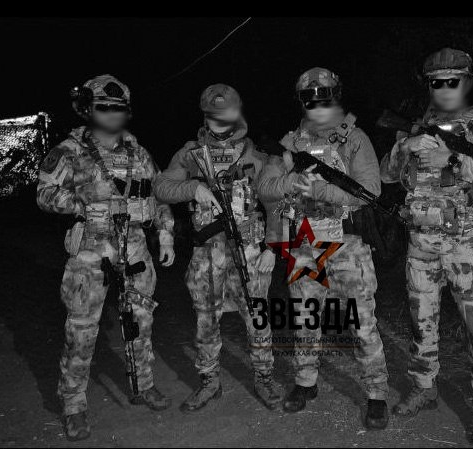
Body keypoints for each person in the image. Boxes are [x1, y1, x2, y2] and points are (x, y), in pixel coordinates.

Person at [380, 48, 473, 445]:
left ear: (467, 81)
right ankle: (424, 387)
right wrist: (407, 148)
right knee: (421, 322)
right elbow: (387, 174)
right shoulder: (418, 124)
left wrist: (454, 158)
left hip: (466, 247)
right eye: (436, 82)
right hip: (421, 242)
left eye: (452, 80)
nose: (443, 88)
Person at [37, 74, 175, 441]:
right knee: (82, 330)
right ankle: (73, 405)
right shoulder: (70, 150)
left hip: (134, 245)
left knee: (141, 320)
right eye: (104, 108)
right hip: (91, 248)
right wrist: (80, 203)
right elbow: (44, 194)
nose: (112, 114)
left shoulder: (137, 152)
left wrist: (165, 232)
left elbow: (159, 194)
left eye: (119, 108)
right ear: (88, 110)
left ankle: (144, 383)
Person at [257, 67, 390, 429]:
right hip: (305, 242)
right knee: (305, 318)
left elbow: (369, 192)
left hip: (347, 243)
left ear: (336, 97)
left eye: (324, 98)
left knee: (362, 321)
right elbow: (264, 187)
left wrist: (318, 189)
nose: (317, 105)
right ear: (300, 102)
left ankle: (376, 393)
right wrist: (292, 181)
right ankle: (305, 382)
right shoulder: (290, 143)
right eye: (309, 99)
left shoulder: (354, 138)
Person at [153, 84, 283, 412]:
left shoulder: (257, 155)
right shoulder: (191, 154)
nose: (220, 122)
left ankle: (264, 377)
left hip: (249, 252)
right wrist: (192, 188)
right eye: (213, 116)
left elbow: (276, 204)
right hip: (206, 253)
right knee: (206, 320)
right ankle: (209, 381)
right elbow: (161, 187)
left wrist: (273, 247)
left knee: (257, 317)